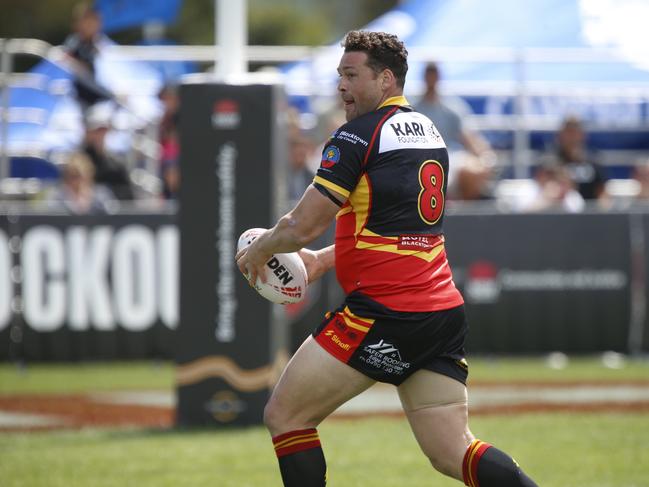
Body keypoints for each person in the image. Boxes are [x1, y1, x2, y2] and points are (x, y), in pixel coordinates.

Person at [236, 30, 538, 487]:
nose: (341, 86)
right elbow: (393, 232)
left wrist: (260, 249)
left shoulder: (358, 135)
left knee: (286, 416)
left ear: (385, 79)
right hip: (439, 313)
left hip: (386, 312)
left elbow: (302, 225)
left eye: (352, 75)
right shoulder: (429, 132)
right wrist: (319, 260)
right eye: (340, 75)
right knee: (452, 450)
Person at [415, 63, 495, 201]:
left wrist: (485, 158)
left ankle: (462, 218)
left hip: (450, 157)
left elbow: (468, 137)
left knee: (473, 170)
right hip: (419, 157)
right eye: (429, 73)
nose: (431, 77)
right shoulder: (413, 108)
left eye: (434, 73)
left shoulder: (452, 107)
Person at [538, 116, 608, 203]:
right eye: (568, 132)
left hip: (589, 212)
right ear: (560, 135)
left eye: (575, 132)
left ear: (583, 135)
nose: (571, 137)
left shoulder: (593, 160)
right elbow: (544, 186)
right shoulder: (550, 159)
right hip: (559, 210)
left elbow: (602, 192)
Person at [62, 2, 114, 115]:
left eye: (94, 22)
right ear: (77, 24)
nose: (91, 26)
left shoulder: (100, 44)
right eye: (87, 22)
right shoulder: (74, 43)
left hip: (97, 92)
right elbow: (67, 62)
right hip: (81, 93)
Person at [48, 152, 114, 214]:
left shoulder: (101, 195)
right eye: (72, 175)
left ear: (89, 175)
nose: (76, 181)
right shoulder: (57, 196)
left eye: (79, 175)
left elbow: (112, 213)